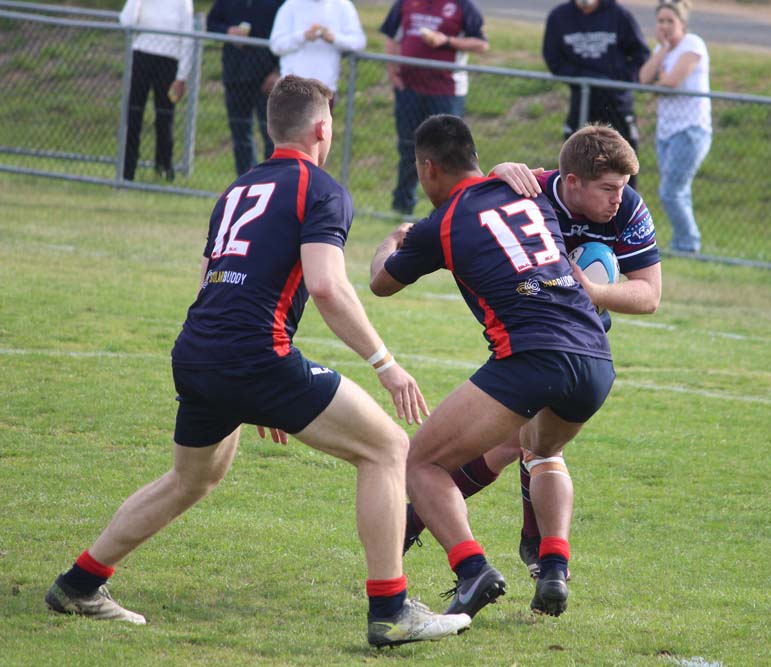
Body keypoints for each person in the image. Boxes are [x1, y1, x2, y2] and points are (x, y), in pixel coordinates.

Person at [44, 76, 472, 648]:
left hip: (199, 349)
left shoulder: (238, 188)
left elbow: (211, 281)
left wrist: (261, 393)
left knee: (190, 479)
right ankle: (391, 610)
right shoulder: (321, 189)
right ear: (321, 129)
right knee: (388, 447)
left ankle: (78, 584)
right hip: (252, 356)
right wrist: (384, 363)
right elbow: (327, 286)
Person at [370, 114, 616, 619]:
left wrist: (391, 241)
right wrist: (507, 168)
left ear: (428, 168)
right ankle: (553, 565)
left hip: (532, 355)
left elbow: (381, 283)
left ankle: (472, 568)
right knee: (539, 449)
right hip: (595, 356)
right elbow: (572, 182)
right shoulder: (531, 192)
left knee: (420, 464)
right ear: (478, 158)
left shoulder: (439, 224)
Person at [401, 124, 659, 578]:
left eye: (622, 187)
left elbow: (649, 295)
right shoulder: (531, 188)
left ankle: (425, 524)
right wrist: (499, 171)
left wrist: (593, 291)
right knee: (524, 445)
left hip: (578, 337)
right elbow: (478, 197)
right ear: (571, 181)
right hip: (533, 332)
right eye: (608, 188)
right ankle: (542, 556)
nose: (618, 199)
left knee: (515, 444)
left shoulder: (629, 208)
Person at [379, 0, 489, 216]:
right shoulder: (405, 3)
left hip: (446, 90)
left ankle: (450, 210)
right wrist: (392, 71)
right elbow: (392, 37)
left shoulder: (463, 5)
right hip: (410, 88)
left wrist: (446, 41)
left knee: (449, 152)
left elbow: (481, 44)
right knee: (408, 147)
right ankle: (403, 207)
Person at [543, 0, 649, 187]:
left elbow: (640, 55)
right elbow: (554, 59)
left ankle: (622, 204)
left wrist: (615, 81)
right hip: (582, 101)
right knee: (577, 165)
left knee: (621, 167)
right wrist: (584, 77)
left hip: (617, 105)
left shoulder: (618, 15)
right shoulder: (559, 17)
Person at [637, 0, 711, 254]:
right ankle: (684, 243)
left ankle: (687, 244)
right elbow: (644, 78)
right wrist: (664, 49)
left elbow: (671, 83)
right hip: (666, 131)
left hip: (691, 129)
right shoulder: (663, 48)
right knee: (679, 191)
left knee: (671, 192)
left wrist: (659, 82)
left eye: (670, 21)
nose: (665, 26)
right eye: (661, 21)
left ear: (683, 23)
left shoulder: (693, 44)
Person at [206, 0, 284, 176]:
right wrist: (228, 31)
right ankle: (246, 180)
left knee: (271, 135)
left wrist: (277, 71)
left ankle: (271, 179)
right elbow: (211, 24)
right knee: (240, 134)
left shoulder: (278, 3)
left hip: (265, 78)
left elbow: (284, 34)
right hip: (235, 75)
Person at [119, 0, 194, 182]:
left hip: (169, 60)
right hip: (142, 54)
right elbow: (126, 21)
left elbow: (188, 38)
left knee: (164, 117)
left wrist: (182, 76)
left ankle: (164, 169)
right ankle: (127, 171)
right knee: (133, 114)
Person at [269, 0, 366, 98]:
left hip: (325, 90)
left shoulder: (343, 5)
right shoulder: (290, 5)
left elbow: (359, 42)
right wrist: (303, 37)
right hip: (292, 89)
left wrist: (334, 39)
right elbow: (276, 45)